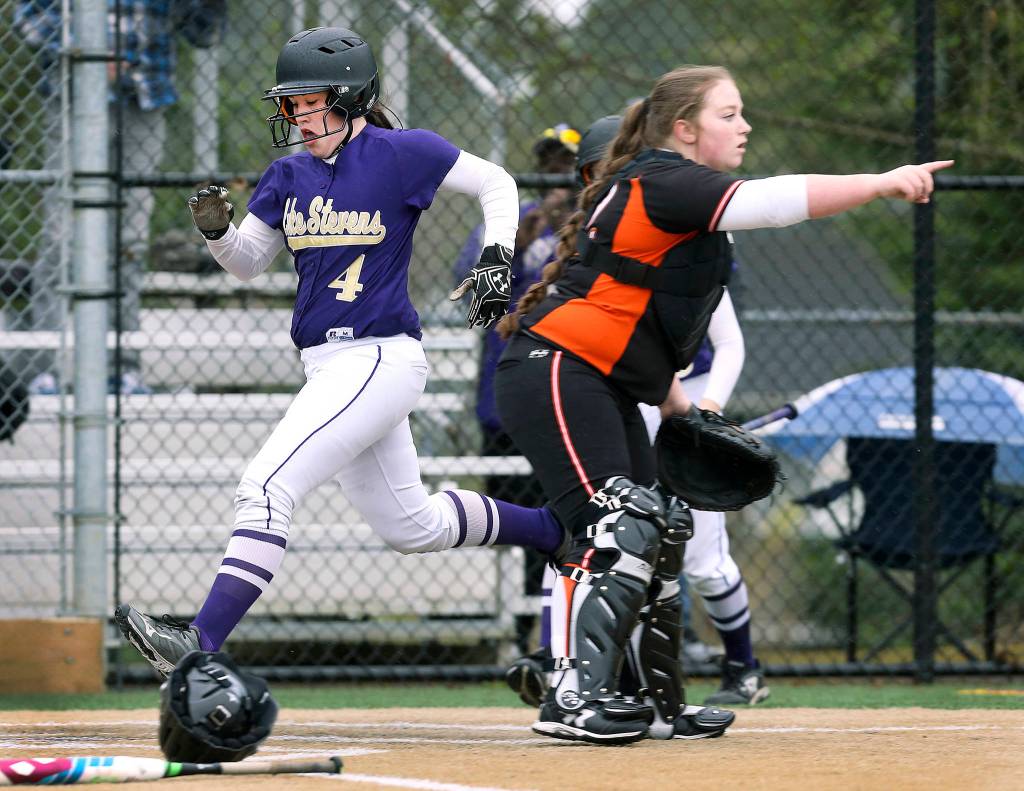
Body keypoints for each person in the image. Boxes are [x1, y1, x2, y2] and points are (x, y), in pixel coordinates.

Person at [493, 65, 952, 745]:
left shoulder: (675, 202)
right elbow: (775, 201)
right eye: (729, 114)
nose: (745, 127)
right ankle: (573, 697)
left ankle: (653, 701)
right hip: (557, 368)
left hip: (601, 375)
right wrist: (882, 182)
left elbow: (635, 327)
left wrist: (685, 412)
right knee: (617, 524)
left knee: (661, 526)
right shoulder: (666, 179)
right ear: (685, 129)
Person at [114, 26, 566, 678]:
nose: (296, 114)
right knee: (413, 525)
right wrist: (217, 233)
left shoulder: (400, 152)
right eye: (290, 103)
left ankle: (202, 639)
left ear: (351, 95)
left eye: (308, 99)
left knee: (266, 485)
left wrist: (498, 257)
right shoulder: (287, 174)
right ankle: (554, 530)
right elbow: (246, 263)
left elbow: (496, 182)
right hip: (330, 365)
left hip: (377, 354)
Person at [14, 0, 227, 394]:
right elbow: (28, 16)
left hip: (143, 100)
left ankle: (121, 368)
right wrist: (88, 54)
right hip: (72, 98)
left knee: (128, 241)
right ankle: (44, 369)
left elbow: (200, 32)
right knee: (61, 236)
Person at [452, 123, 579, 623]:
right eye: (546, 164)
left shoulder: (594, 227)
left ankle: (552, 628)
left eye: (566, 166)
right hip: (501, 402)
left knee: (565, 515)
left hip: (561, 395)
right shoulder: (505, 225)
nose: (555, 175)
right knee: (514, 522)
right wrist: (524, 234)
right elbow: (471, 295)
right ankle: (520, 629)